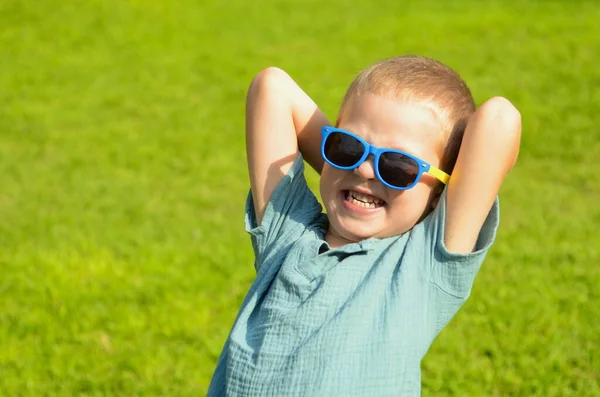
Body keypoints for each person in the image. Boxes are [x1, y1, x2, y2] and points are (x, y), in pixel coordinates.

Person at [207, 55, 521, 396]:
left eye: (398, 166)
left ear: (439, 193)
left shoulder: (423, 265)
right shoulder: (286, 230)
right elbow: (271, 86)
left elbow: (500, 119)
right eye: (346, 146)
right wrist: (341, 167)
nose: (365, 170)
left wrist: (355, 169)